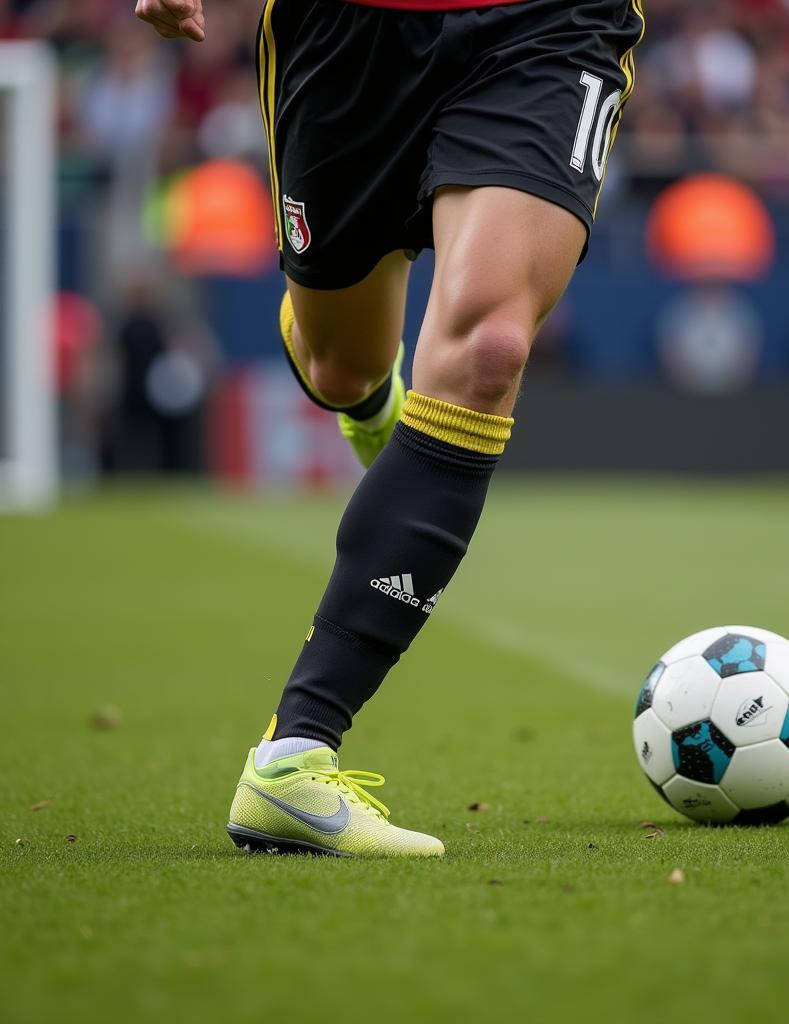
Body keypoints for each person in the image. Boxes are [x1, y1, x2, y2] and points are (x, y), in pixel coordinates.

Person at [136, 0, 645, 858]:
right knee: (343, 366)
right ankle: (372, 404)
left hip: (546, 24)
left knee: (489, 347)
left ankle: (294, 755)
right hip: (345, 30)